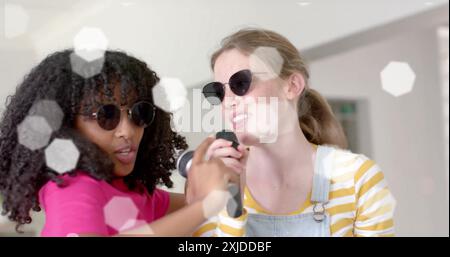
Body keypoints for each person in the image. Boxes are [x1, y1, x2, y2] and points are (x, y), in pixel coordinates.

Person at [194, 28, 396, 237]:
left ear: (292, 85)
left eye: (241, 83)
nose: (228, 101)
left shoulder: (359, 179)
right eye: (218, 92)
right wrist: (232, 205)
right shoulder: (211, 186)